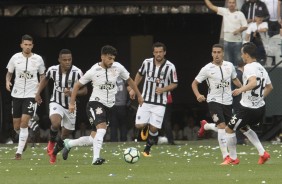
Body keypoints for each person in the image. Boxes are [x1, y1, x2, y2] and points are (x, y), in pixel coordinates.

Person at [66, 45, 143, 165]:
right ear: (102, 57)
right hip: (95, 103)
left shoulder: (118, 67)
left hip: (109, 106)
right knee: (101, 128)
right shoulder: (93, 70)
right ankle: (95, 158)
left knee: (93, 139)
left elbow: (130, 81)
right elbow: (76, 85)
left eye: (113, 58)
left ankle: (69, 143)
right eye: (109, 58)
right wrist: (71, 103)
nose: (111, 61)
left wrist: (139, 95)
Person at [222, 42, 273, 165]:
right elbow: (270, 87)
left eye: (242, 53)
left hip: (247, 108)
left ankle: (233, 159)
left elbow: (253, 83)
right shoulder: (261, 68)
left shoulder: (249, 67)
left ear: (246, 54)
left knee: (229, 129)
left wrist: (240, 89)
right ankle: (263, 153)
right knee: (244, 128)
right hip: (260, 108)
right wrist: (260, 98)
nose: (241, 56)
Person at [191, 44, 242, 163]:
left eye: (219, 52)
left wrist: (242, 88)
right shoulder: (207, 68)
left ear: (223, 53)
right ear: (211, 54)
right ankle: (226, 157)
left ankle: (207, 126)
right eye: (214, 52)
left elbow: (235, 79)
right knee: (222, 127)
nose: (216, 54)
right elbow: (194, 84)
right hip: (214, 101)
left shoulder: (229, 66)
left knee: (229, 128)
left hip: (228, 101)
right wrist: (198, 95)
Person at [35, 49, 87, 164]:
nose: (67, 62)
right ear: (59, 60)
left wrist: (74, 92)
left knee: (64, 135)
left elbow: (85, 90)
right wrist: (38, 93)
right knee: (55, 123)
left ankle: (54, 153)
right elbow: (45, 79)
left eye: (69, 59)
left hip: (71, 106)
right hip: (56, 102)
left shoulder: (77, 72)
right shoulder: (52, 70)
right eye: (64, 60)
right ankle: (51, 143)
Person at [134, 42, 178, 157]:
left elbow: (174, 84)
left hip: (160, 103)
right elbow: (139, 74)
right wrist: (134, 88)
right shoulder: (146, 63)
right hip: (146, 100)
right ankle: (148, 124)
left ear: (164, 53)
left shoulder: (170, 66)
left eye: (160, 52)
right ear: (153, 53)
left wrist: (164, 89)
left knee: (154, 129)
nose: (158, 54)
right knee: (139, 125)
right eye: (156, 52)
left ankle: (147, 149)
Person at [6, 34, 46, 160]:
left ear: (32, 46)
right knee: (16, 126)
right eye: (25, 44)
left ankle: (18, 153)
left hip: (31, 94)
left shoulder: (38, 59)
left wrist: (38, 91)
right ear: (21, 45)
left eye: (30, 45)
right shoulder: (15, 58)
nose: (27, 47)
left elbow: (43, 76)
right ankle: (24, 138)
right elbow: (9, 73)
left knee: (24, 123)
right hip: (17, 94)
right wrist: (7, 81)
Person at [204, 0, 248, 67]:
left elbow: (245, 26)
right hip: (226, 41)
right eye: (230, 3)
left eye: (233, 3)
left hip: (237, 42)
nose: (231, 4)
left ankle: (239, 76)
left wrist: (238, 30)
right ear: (227, 4)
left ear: (235, 4)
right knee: (227, 62)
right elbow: (211, 6)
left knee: (239, 61)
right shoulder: (224, 11)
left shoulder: (240, 14)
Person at [109, 76, 129, 142]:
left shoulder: (109, 78)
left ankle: (113, 142)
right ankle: (123, 141)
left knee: (113, 125)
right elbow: (130, 88)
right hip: (122, 104)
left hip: (113, 104)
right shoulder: (124, 78)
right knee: (123, 125)